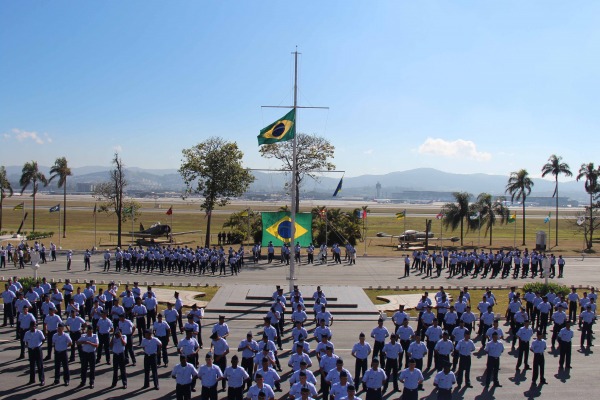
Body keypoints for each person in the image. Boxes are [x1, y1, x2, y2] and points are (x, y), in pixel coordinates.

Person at [24, 321, 45, 386]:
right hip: (31, 350)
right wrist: (29, 346)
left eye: (34, 326)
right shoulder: (27, 333)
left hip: (37, 349)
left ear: (35, 326)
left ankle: (42, 380)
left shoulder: (39, 332)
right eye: (31, 326)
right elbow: (26, 341)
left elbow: (43, 339)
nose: (32, 327)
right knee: (32, 365)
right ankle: (32, 379)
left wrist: (39, 345)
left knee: (40, 365)